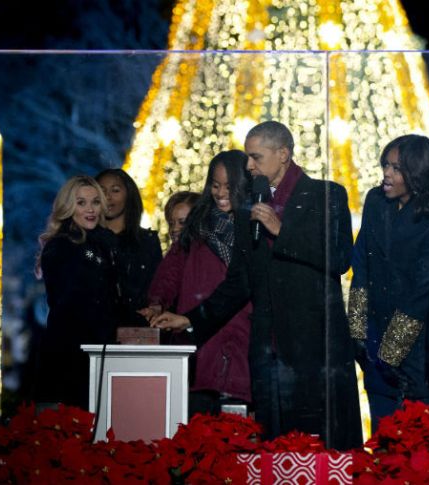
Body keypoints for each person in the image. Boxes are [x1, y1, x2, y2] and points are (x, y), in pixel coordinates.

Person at [152, 121, 362, 450]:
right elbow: (239, 283)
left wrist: (283, 230)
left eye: (255, 157)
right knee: (272, 449)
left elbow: (340, 258)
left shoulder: (327, 194)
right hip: (266, 352)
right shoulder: (249, 207)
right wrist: (193, 318)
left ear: (283, 154)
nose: (248, 166)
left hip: (315, 351)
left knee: (321, 449)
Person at [348, 134, 429, 433]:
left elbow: (422, 290)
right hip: (372, 342)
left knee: (420, 448)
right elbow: (361, 265)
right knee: (383, 443)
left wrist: (390, 352)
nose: (387, 173)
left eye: (396, 168)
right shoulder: (375, 201)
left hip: (415, 354)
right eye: (386, 165)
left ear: (418, 173)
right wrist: (357, 333)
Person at [140, 151, 253, 416]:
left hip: (241, 334)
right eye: (215, 185)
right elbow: (171, 271)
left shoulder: (255, 228)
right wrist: (158, 302)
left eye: (229, 186)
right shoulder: (198, 226)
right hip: (200, 336)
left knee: (238, 426)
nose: (221, 192)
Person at [34, 175, 119, 409]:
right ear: (68, 207)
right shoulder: (65, 246)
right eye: (81, 203)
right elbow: (73, 303)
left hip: (89, 353)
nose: (90, 209)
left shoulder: (92, 246)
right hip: (68, 356)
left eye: (95, 202)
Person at [95, 168, 162, 325]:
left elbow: (159, 287)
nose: (108, 197)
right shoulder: (88, 244)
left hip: (140, 332)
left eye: (115, 190)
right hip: (95, 333)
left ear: (129, 194)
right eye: (101, 191)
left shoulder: (148, 242)